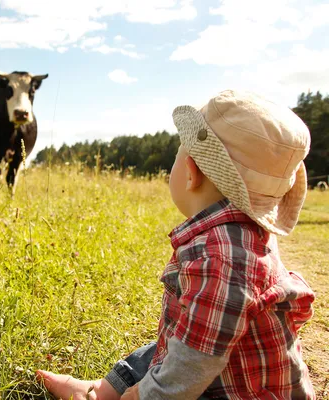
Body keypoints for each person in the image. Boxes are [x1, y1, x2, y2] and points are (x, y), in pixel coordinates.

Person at [36, 90, 316, 399]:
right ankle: (103, 389)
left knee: (177, 358)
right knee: (162, 348)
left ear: (190, 173)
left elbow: (192, 366)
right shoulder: (245, 235)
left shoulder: (220, 256)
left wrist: (142, 396)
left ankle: (104, 395)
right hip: (228, 363)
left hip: (235, 389)